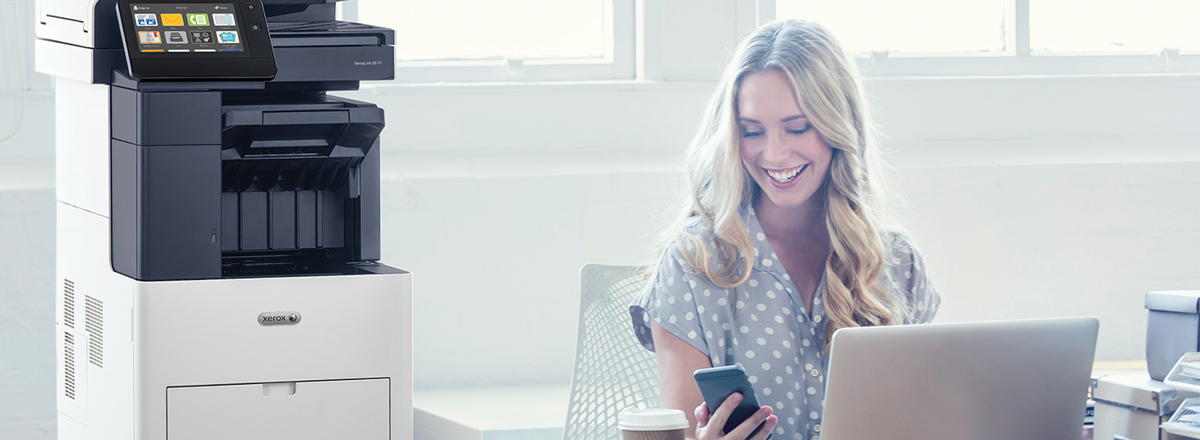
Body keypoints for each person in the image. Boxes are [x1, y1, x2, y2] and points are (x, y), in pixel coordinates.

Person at [629, 19, 941, 440]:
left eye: (797, 127)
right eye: (752, 131)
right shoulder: (691, 266)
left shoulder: (898, 263)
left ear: (838, 128)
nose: (774, 154)